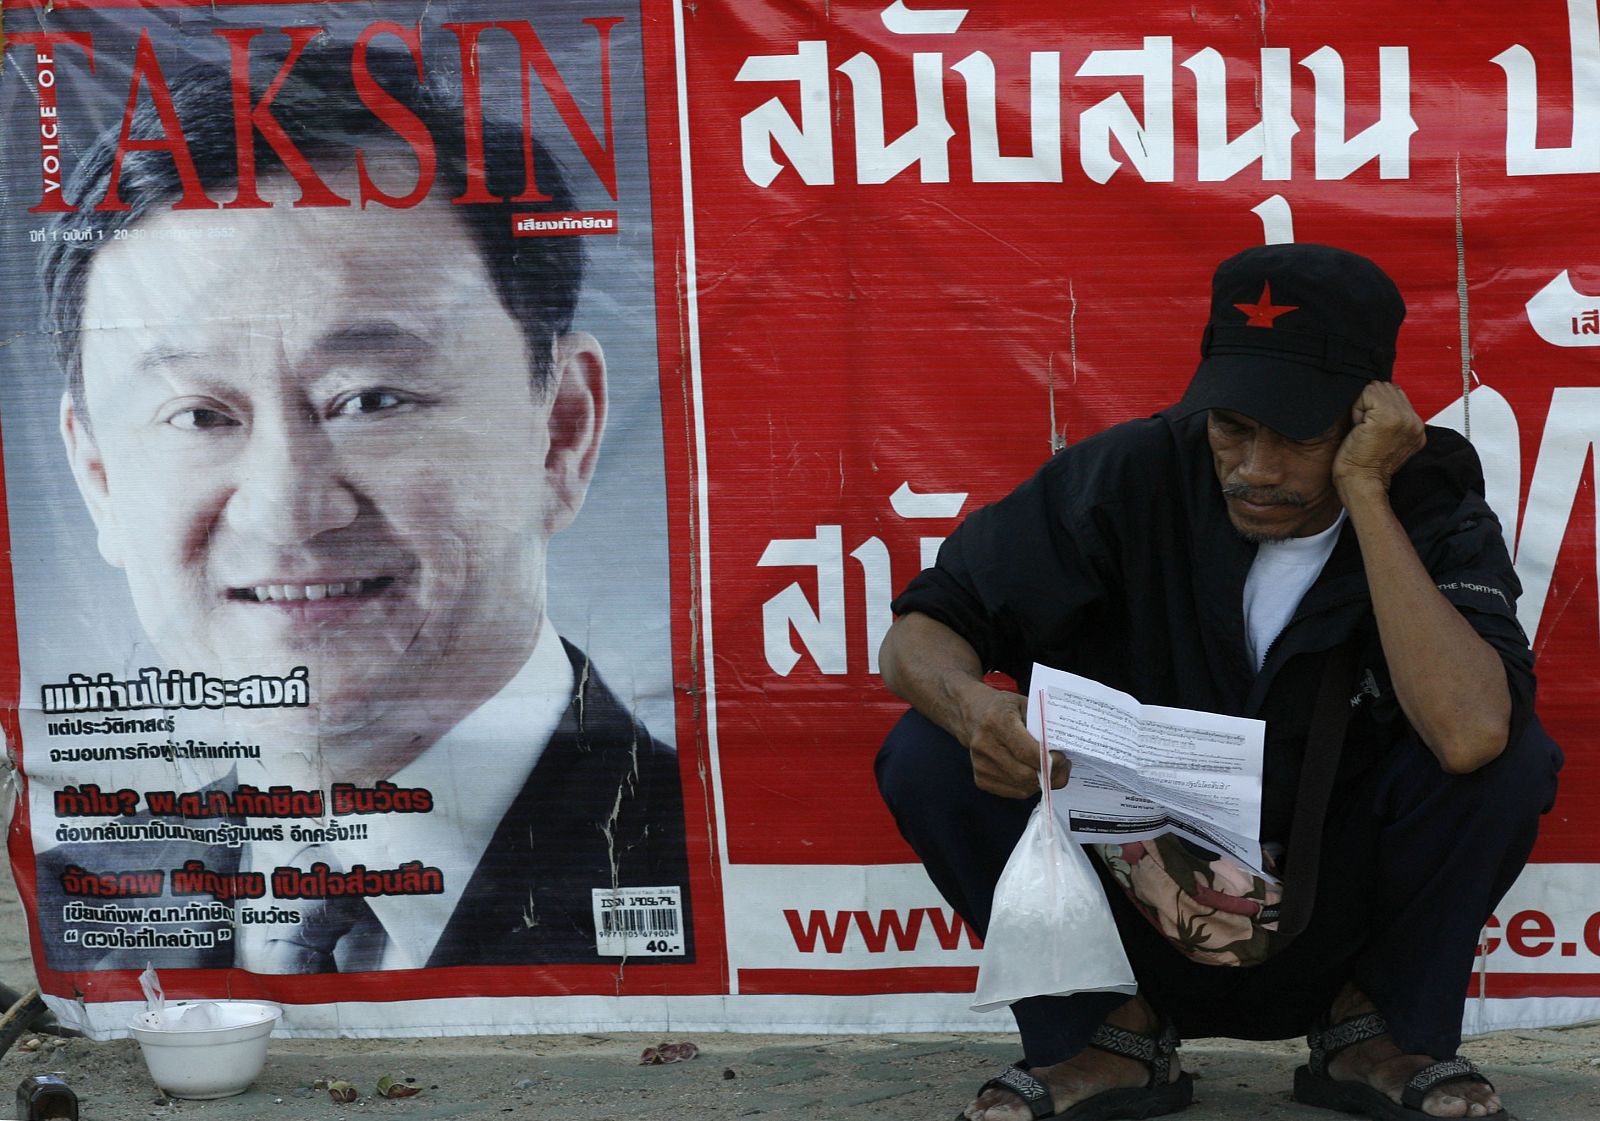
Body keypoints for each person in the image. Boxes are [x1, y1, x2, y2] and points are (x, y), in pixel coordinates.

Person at [32, 43, 689, 973]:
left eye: (371, 398)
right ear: (97, 475)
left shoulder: (733, 866)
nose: (287, 512)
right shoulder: (70, 910)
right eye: (197, 414)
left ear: (563, 430)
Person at [876, 243, 1561, 1121]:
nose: (1255, 468)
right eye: (1231, 427)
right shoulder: (1135, 473)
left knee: (1511, 758)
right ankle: (1102, 1038)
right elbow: (919, 635)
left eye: (1299, 436)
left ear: (1366, 419)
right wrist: (976, 709)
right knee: (926, 748)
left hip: (1338, 910)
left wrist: (1364, 493)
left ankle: (1382, 1035)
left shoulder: (1427, 497)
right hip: (1137, 894)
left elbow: (1472, 731)